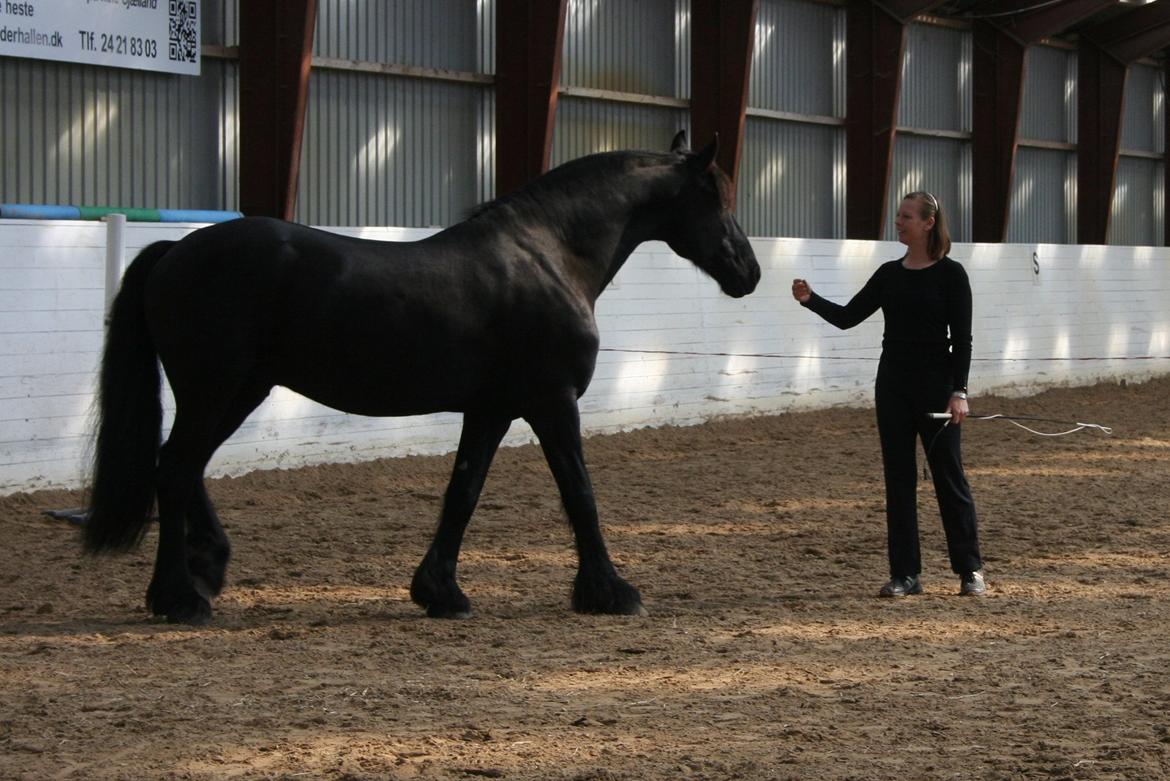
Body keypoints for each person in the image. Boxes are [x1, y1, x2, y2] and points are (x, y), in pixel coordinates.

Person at [791, 191, 986, 597]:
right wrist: (811, 301)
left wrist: (959, 391)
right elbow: (847, 318)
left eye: (906, 217)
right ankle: (905, 574)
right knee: (899, 482)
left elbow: (963, 340)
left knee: (949, 478)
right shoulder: (888, 274)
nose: (898, 222)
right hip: (893, 387)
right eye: (898, 216)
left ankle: (969, 569)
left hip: (937, 389)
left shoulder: (952, 275)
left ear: (928, 223)